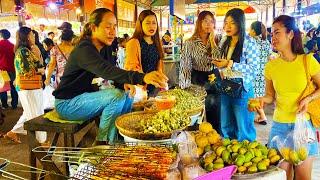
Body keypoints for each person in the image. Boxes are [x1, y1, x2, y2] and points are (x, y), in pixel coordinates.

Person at [52, 8, 168, 144]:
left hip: (84, 98)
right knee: (116, 96)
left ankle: (119, 137)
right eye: (108, 27)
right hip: (67, 104)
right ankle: (104, 143)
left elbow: (113, 73)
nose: (113, 31)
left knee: (127, 93)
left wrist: (123, 84)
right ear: (94, 28)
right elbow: (106, 70)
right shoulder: (84, 49)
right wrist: (142, 77)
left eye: (114, 27)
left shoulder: (106, 47)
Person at [249, 15, 320, 180]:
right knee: (281, 176)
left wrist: (308, 99)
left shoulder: (307, 61)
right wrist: (260, 101)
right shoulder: (271, 66)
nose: (272, 37)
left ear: (290, 34)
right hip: (279, 127)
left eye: (277, 33)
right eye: (271, 33)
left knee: (303, 177)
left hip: (303, 126)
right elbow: (270, 96)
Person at [212, 8, 259, 141]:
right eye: (226, 23)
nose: (228, 26)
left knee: (243, 128)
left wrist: (230, 63)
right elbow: (223, 63)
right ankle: (229, 154)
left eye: (232, 23)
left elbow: (253, 69)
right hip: (226, 87)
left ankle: (246, 156)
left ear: (240, 23)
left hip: (242, 90)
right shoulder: (224, 41)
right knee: (226, 126)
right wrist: (220, 67)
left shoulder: (250, 42)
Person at [179, 11, 221, 131]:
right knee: (196, 111)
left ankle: (215, 135)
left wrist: (213, 42)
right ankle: (194, 137)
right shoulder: (190, 43)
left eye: (211, 21)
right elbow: (185, 66)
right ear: (199, 23)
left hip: (214, 76)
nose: (209, 24)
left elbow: (220, 60)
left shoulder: (218, 40)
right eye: (205, 21)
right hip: (198, 78)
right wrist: (184, 88)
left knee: (214, 108)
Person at [4, 27, 46, 144]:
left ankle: (13, 132)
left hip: (28, 88)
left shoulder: (24, 50)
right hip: (29, 87)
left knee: (30, 112)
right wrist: (41, 70)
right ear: (27, 37)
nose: (34, 37)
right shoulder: (24, 51)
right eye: (32, 35)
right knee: (36, 114)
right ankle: (41, 142)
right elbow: (28, 70)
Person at [124, 10, 164, 97]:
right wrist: (143, 79)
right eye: (148, 23)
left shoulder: (157, 42)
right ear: (140, 24)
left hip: (155, 86)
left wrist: (161, 79)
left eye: (154, 23)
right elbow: (132, 67)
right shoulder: (133, 43)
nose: (151, 26)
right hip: (140, 87)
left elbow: (159, 65)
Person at [249, 21, 272, 125]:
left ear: (253, 31)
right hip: (263, 73)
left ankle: (262, 116)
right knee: (259, 96)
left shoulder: (252, 41)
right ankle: (261, 116)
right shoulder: (266, 42)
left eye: (250, 29)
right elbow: (270, 58)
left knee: (253, 96)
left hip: (253, 72)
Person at [0, 29, 18, 109]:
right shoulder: (13, 46)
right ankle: (14, 104)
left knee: (3, 87)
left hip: (2, 69)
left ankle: (4, 105)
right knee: (13, 87)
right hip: (12, 69)